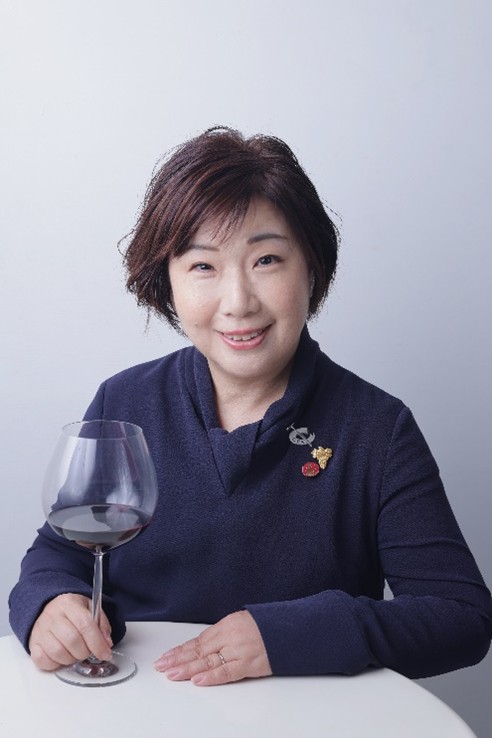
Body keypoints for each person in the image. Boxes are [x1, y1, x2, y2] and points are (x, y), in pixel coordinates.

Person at [9, 127, 492, 686]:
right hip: (140, 701)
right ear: (167, 282)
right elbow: (60, 552)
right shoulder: (125, 402)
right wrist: (49, 602)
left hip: (306, 714)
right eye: (203, 266)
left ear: (311, 267)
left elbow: (462, 617)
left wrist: (289, 635)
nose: (238, 302)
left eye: (266, 259)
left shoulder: (378, 429)